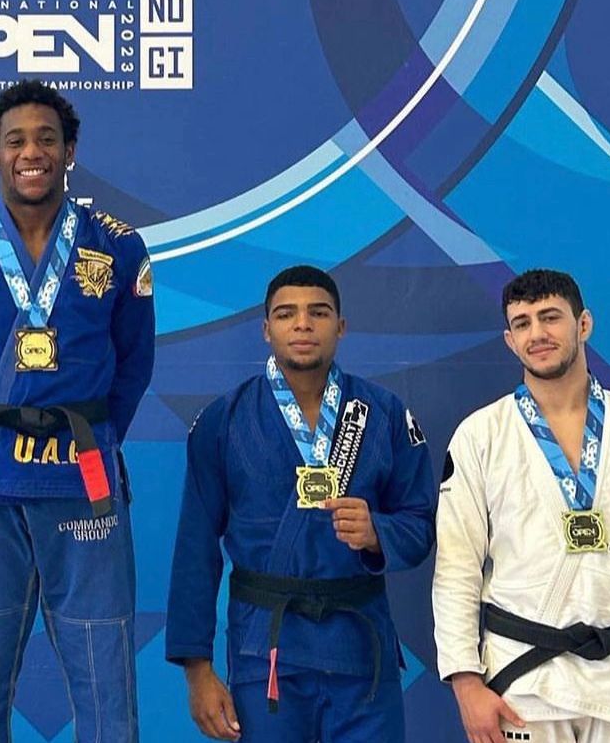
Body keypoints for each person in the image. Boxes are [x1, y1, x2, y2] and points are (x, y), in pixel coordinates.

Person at [0, 79, 155, 741]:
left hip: (83, 477)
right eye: (15, 141)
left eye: (47, 139)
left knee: (104, 672)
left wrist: (96, 435)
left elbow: (134, 362)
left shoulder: (117, 246)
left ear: (69, 151)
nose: (31, 152)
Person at [165, 265, 436, 742]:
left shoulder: (385, 414)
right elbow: (196, 548)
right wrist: (197, 670)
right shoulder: (223, 420)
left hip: (361, 650)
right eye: (286, 314)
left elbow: (420, 524)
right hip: (267, 650)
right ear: (266, 329)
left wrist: (378, 533)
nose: (303, 324)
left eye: (319, 313)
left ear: (341, 326)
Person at [434, 269, 610, 743]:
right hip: (523, 682)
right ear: (510, 340)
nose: (537, 333)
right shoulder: (479, 436)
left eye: (550, 317)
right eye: (522, 323)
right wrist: (465, 682)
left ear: (584, 324)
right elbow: (456, 568)